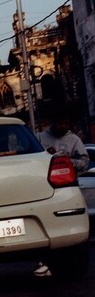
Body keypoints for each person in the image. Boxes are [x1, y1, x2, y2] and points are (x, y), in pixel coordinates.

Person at [34, 112, 88, 277]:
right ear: (53, 122)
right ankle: (43, 261)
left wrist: (66, 161)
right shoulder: (40, 137)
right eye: (60, 123)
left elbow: (84, 162)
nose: (62, 126)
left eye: (66, 123)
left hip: (65, 188)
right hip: (41, 188)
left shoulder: (74, 141)